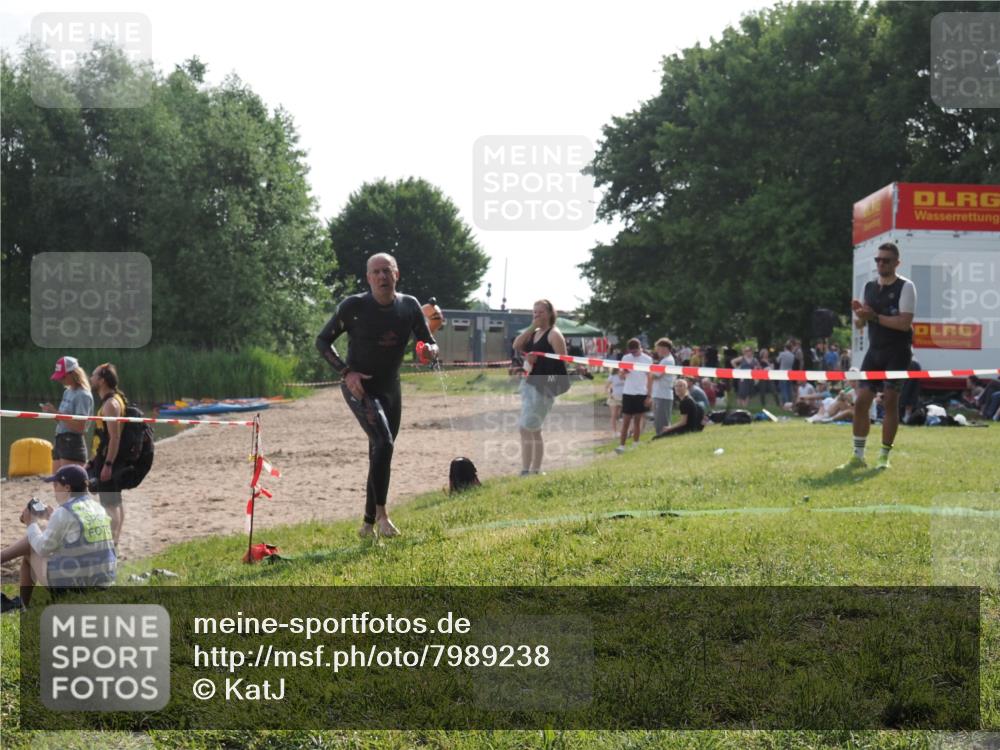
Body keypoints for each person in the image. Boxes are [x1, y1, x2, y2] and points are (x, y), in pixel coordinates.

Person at [315, 253, 438, 538]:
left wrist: (430, 351)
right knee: (383, 442)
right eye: (376, 272)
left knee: (381, 450)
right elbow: (322, 341)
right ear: (368, 278)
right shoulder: (354, 307)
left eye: (387, 271)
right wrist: (347, 373)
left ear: (397, 274)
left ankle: (367, 525)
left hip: (391, 388)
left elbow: (428, 342)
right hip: (360, 387)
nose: (382, 277)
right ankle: (383, 517)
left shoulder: (409, 306)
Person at [841, 242, 916, 470]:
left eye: (886, 260)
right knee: (861, 401)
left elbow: (904, 323)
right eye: (878, 260)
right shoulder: (869, 287)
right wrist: (860, 315)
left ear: (896, 263)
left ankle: (884, 456)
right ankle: (857, 456)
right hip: (875, 351)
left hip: (898, 352)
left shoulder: (906, 287)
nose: (881, 263)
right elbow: (862, 323)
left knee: (890, 402)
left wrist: (873, 317)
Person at [0, 465, 116, 609]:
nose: (54, 490)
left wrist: (31, 523)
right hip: (103, 582)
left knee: (30, 549)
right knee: (36, 539)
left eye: (55, 485)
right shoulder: (98, 507)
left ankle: (23, 606)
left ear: (67, 488)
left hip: (77, 588)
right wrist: (52, 517)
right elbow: (77, 533)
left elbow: (42, 549)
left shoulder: (64, 512)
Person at [512, 299, 568, 475]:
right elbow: (516, 345)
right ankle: (529, 469)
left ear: (550, 313)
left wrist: (540, 363)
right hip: (530, 383)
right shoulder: (535, 332)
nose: (536, 315)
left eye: (540, 312)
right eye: (534, 312)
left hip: (544, 386)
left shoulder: (554, 334)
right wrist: (531, 327)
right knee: (532, 429)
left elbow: (562, 363)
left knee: (528, 427)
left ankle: (532, 469)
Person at [88, 363, 126, 546]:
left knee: (110, 504)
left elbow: (114, 437)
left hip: (110, 460)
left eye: (93, 375)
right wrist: (93, 460)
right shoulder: (114, 400)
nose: (90, 378)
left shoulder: (111, 404)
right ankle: (114, 541)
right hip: (104, 458)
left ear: (102, 380)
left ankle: (112, 543)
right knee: (115, 502)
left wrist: (108, 464)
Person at [41, 356, 94, 471]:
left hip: (72, 443)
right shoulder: (67, 392)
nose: (60, 380)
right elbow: (63, 421)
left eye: (63, 376)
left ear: (73, 374)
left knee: (69, 486)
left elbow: (80, 427)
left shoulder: (83, 395)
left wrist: (56, 413)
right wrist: (52, 413)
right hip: (60, 440)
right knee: (57, 484)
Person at [615, 338, 652, 454]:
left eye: (635, 352)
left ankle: (636, 443)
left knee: (637, 421)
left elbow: (650, 378)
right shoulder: (626, 358)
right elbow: (620, 376)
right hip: (628, 392)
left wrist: (649, 395)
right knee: (625, 421)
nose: (634, 354)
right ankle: (622, 445)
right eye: (632, 352)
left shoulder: (647, 359)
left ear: (640, 347)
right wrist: (623, 373)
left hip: (641, 392)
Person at [648, 338, 676, 436]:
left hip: (663, 395)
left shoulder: (667, 361)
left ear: (665, 348)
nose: (657, 351)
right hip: (660, 394)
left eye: (659, 348)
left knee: (662, 423)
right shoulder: (665, 360)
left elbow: (656, 376)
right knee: (658, 422)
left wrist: (647, 372)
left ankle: (662, 439)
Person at [775, 341, 796, 407]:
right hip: (790, 372)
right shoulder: (792, 355)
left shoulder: (782, 354)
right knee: (789, 389)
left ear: (785, 348)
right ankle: (790, 402)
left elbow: (777, 360)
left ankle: (786, 403)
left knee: (784, 389)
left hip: (783, 373)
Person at [606, 367, 624, 433]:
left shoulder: (625, 375)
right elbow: (606, 387)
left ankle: (621, 430)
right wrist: (610, 395)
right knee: (614, 415)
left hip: (623, 397)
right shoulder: (612, 376)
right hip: (614, 397)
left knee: (620, 415)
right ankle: (614, 431)